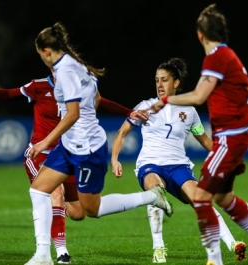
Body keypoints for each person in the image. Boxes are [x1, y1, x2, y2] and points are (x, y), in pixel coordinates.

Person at [20, 22, 172, 265]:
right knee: (39, 189)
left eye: (40, 54)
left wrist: (44, 142)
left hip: (87, 150)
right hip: (70, 145)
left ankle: (151, 197)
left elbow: (73, 114)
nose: (41, 59)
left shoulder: (67, 71)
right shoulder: (76, 65)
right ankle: (42, 255)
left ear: (46, 52)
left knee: (91, 209)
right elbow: (97, 98)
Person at [149, 4, 248, 265]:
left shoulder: (216, 58)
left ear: (200, 35)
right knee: (223, 197)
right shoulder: (231, 56)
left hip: (229, 138)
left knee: (199, 196)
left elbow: (199, 96)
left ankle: (214, 260)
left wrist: (166, 102)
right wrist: (240, 118)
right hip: (237, 135)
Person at [0, 76, 137, 264]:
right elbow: (8, 94)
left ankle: (53, 216)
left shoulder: (75, 85)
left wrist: (129, 112)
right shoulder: (38, 86)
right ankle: (60, 253)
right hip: (40, 154)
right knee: (56, 193)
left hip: (67, 153)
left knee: (78, 213)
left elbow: (100, 101)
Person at [112, 57, 246, 264]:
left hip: (178, 166)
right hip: (150, 165)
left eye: (164, 80)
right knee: (155, 192)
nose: (159, 84)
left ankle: (233, 244)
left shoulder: (189, 112)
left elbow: (204, 139)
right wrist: (114, 159)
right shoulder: (145, 107)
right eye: (157, 80)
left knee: (200, 200)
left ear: (175, 83)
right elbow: (121, 133)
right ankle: (158, 249)